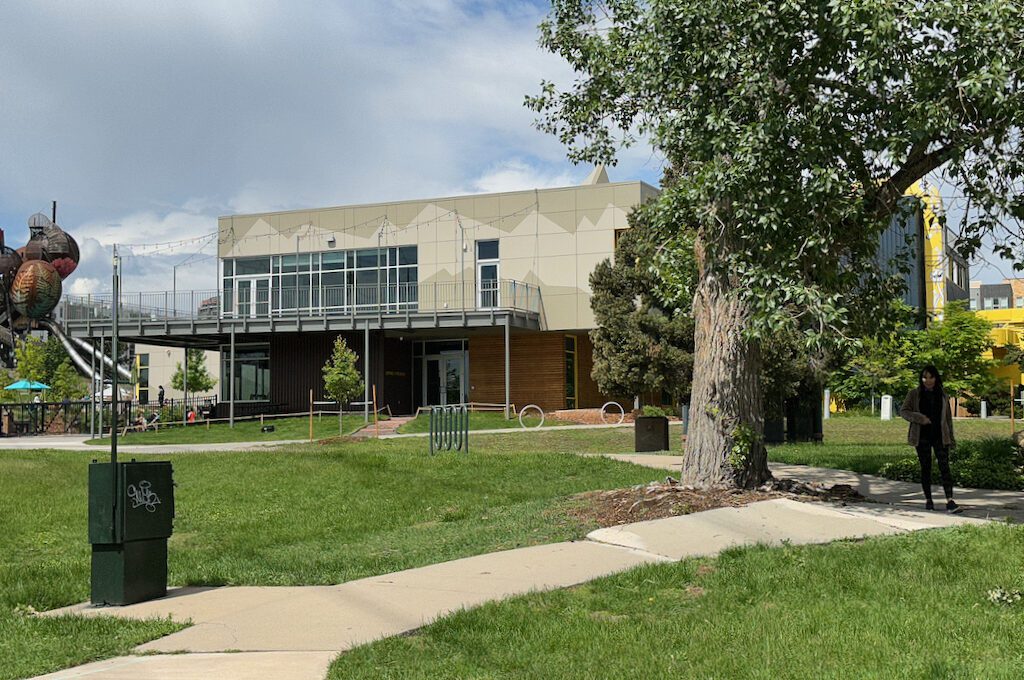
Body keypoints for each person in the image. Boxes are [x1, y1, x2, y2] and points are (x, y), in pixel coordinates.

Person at [899, 365, 962, 513]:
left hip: (940, 436)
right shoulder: (914, 394)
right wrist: (919, 418)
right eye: (924, 377)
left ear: (936, 378)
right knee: (926, 468)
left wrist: (951, 438)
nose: (928, 380)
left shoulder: (943, 395)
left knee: (944, 467)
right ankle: (928, 500)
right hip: (922, 436)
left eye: (931, 377)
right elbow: (904, 411)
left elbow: (948, 419)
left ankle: (950, 500)